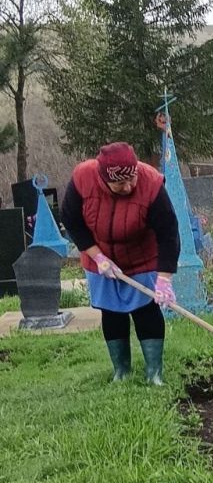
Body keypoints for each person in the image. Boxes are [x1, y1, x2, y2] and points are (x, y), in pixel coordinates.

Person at [61, 142, 180, 385]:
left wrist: (164, 279)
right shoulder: (84, 177)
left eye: (131, 179)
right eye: (119, 184)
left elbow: (168, 232)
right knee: (112, 311)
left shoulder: (151, 183)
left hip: (141, 256)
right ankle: (121, 371)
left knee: (146, 310)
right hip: (101, 258)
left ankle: (154, 373)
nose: (128, 187)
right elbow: (71, 220)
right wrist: (97, 256)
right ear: (104, 179)